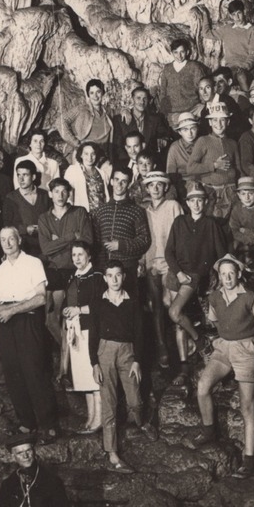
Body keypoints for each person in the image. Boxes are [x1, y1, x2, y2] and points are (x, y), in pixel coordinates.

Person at [193, 255, 254, 478]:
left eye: (231, 273)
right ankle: (209, 430)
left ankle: (248, 461)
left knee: (247, 407)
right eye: (223, 274)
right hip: (223, 349)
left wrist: (251, 340)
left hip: (245, 351)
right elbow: (216, 321)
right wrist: (227, 336)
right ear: (218, 276)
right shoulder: (215, 297)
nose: (227, 278)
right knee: (203, 386)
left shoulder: (250, 298)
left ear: (238, 274)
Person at [0, 226, 57, 441]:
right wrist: (4, 310)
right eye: (3, 239)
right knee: (13, 373)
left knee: (34, 371)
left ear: (19, 240)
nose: (7, 243)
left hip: (28, 320)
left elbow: (40, 298)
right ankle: (27, 423)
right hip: (6, 325)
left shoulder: (33, 263)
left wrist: (12, 309)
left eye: (11, 238)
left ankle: (48, 425)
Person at [163, 183, 230, 388]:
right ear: (188, 203)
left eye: (200, 200)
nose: (197, 204)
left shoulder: (210, 224)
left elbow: (221, 255)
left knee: (175, 312)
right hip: (178, 274)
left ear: (205, 202)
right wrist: (178, 272)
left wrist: (219, 276)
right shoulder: (179, 222)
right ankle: (184, 366)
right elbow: (169, 252)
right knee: (176, 317)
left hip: (194, 276)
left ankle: (200, 341)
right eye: (193, 200)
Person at [89, 263, 148, 471]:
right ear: (104, 278)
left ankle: (142, 421)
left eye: (118, 275)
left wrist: (137, 360)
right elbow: (93, 334)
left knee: (135, 400)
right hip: (105, 351)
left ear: (123, 277)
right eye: (110, 275)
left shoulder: (132, 302)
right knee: (109, 404)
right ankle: (112, 453)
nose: (114, 280)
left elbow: (140, 333)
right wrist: (94, 363)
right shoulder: (98, 303)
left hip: (127, 352)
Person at [37, 178, 92, 363]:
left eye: (64, 191)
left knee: (69, 317)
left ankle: (72, 362)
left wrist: (56, 241)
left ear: (69, 194)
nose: (60, 195)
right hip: (54, 270)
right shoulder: (44, 218)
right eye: (56, 191)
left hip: (75, 271)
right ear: (50, 194)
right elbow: (45, 249)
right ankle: (70, 355)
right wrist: (70, 237)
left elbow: (86, 241)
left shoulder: (79, 212)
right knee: (50, 319)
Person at [141, 171, 184, 370]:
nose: (156, 188)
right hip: (152, 263)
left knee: (171, 303)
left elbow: (182, 233)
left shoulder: (173, 206)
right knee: (155, 304)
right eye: (152, 185)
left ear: (165, 187)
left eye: (159, 184)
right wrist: (144, 262)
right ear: (147, 189)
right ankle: (162, 348)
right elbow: (142, 240)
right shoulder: (144, 211)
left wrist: (177, 262)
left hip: (171, 262)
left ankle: (185, 344)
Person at [63, 241, 103, 434]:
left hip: (91, 329)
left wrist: (78, 309)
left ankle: (99, 420)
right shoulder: (74, 276)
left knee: (94, 377)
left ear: (88, 256)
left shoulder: (96, 276)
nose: (77, 258)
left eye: (80, 254)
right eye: (74, 255)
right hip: (76, 329)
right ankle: (90, 418)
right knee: (83, 378)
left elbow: (100, 305)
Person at [91, 164, 150, 293]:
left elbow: (144, 240)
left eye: (124, 181)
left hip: (127, 268)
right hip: (104, 268)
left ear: (129, 184)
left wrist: (120, 245)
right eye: (117, 180)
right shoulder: (100, 211)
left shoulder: (137, 211)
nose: (119, 184)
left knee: (127, 308)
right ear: (111, 181)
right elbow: (95, 241)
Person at [185, 97, 241, 219]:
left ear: (228, 122)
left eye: (222, 120)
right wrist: (214, 165)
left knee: (229, 227)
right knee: (211, 223)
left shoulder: (232, 143)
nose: (219, 124)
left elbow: (239, 168)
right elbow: (190, 168)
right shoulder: (203, 141)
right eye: (215, 120)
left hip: (231, 192)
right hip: (211, 192)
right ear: (210, 122)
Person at [111, 84, 172, 167]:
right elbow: (118, 147)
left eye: (145, 98)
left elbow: (164, 135)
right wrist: (130, 164)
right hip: (128, 164)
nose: (142, 102)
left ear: (148, 101)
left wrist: (163, 139)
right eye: (138, 98)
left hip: (149, 164)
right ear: (132, 99)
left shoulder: (155, 119)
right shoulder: (120, 119)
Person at [2, 160, 51, 257]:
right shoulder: (11, 198)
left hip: (44, 246)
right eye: (18, 175)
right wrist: (25, 229)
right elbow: (7, 224)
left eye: (25, 175)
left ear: (33, 177)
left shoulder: (44, 195)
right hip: (23, 248)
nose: (21, 179)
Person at [158, 38, 208, 128]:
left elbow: (202, 88)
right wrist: (164, 112)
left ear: (187, 52)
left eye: (182, 52)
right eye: (176, 52)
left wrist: (203, 105)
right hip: (173, 113)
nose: (179, 56)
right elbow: (163, 91)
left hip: (192, 110)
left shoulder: (194, 67)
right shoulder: (167, 68)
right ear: (172, 53)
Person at [212, 0, 254, 91]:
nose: (237, 17)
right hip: (230, 68)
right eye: (233, 15)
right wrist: (204, 15)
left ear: (244, 12)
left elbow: (253, 54)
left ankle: (248, 101)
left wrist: (243, 67)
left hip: (246, 68)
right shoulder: (227, 29)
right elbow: (207, 34)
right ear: (230, 16)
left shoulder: (252, 30)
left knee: (241, 76)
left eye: (239, 13)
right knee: (217, 78)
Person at [58, 78, 113, 156]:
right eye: (92, 93)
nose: (95, 96)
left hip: (102, 155)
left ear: (103, 93)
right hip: (83, 154)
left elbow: (120, 111)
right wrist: (75, 143)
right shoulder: (81, 109)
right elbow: (60, 121)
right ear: (88, 95)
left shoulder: (108, 111)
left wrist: (125, 111)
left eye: (98, 92)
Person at [64, 141, 113, 212]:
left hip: (102, 214)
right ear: (81, 155)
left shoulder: (102, 173)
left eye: (93, 154)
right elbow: (68, 196)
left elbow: (105, 195)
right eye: (86, 154)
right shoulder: (72, 171)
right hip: (82, 214)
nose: (89, 157)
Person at [166, 113, 201, 200]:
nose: (190, 133)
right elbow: (171, 174)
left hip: (202, 183)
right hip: (182, 186)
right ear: (179, 132)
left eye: (193, 128)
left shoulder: (203, 143)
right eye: (185, 130)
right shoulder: (174, 148)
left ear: (197, 128)